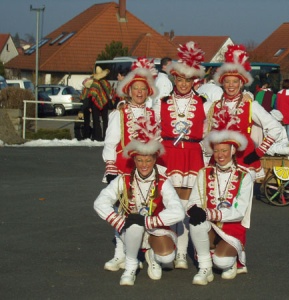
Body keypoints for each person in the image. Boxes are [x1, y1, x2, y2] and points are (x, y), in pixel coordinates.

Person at [93, 121, 185, 286]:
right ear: (134, 160)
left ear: (155, 159)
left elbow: (178, 211)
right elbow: (100, 202)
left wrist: (149, 221)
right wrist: (119, 222)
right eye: (140, 160)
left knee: (167, 257)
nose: (144, 165)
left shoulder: (163, 182)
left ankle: (152, 255)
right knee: (134, 225)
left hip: (154, 227)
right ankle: (130, 266)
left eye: (148, 161)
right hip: (131, 229)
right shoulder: (124, 179)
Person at [153, 41, 211, 269]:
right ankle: (174, 248)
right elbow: (153, 128)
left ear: (194, 81)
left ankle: (182, 253)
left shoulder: (204, 103)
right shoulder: (162, 103)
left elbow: (209, 131)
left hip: (192, 156)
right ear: (174, 79)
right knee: (170, 203)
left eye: (188, 80)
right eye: (179, 79)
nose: (184, 84)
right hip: (169, 156)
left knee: (188, 206)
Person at [101, 58, 159, 272]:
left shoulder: (153, 114)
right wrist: (110, 168)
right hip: (123, 167)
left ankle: (140, 252)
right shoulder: (120, 113)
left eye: (143, 89)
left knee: (144, 208)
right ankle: (119, 254)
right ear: (129, 90)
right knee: (121, 211)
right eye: (136, 88)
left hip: (145, 169)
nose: (139, 93)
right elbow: (110, 142)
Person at [208, 44, 288, 182]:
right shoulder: (215, 106)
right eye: (227, 82)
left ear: (241, 83)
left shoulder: (250, 105)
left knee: (242, 201)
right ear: (222, 83)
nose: (231, 85)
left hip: (244, 160)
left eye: (235, 82)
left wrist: (259, 152)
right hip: (219, 161)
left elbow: (275, 128)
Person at [187, 120, 253, 285]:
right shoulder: (204, 172)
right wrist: (194, 210)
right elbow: (193, 200)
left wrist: (208, 212)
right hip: (210, 225)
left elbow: (239, 212)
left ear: (232, 151)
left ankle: (232, 260)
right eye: (216, 151)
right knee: (195, 222)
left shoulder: (245, 176)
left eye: (224, 150)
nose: (220, 155)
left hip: (232, 227)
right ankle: (205, 267)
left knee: (221, 262)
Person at [89, 66, 113, 141]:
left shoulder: (95, 83)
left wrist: (90, 106)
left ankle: (98, 137)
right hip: (105, 103)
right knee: (105, 120)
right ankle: (106, 136)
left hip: (95, 104)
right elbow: (110, 92)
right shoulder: (107, 83)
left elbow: (92, 95)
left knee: (96, 120)